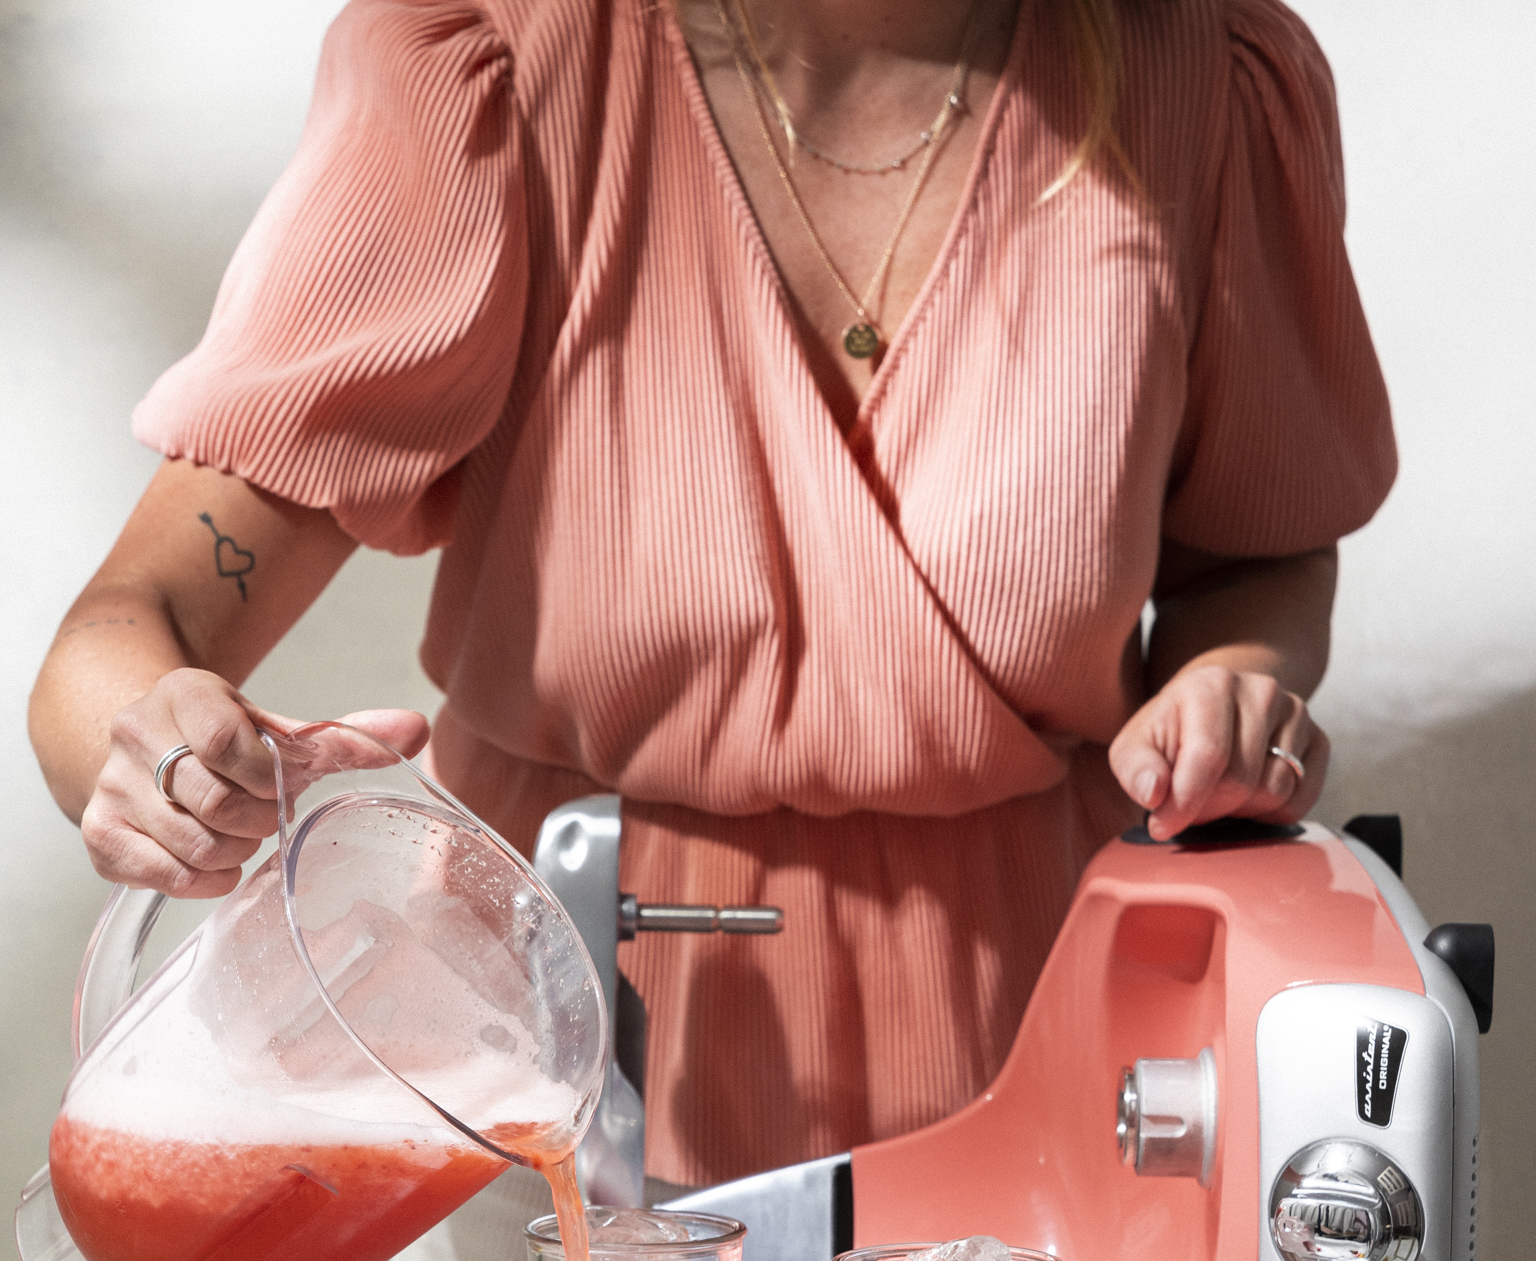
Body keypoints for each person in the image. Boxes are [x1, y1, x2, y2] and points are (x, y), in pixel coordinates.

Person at [28, 0, 1393, 1195]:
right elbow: (127, 637)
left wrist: (1233, 678)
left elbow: (1255, 554)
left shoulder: (1210, 76)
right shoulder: (489, 65)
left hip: (1056, 1090)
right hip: (530, 1104)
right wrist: (161, 770)